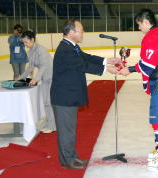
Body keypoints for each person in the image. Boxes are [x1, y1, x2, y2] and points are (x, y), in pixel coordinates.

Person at [50, 19, 120, 170]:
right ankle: (67, 160)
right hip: (64, 98)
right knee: (66, 131)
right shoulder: (65, 49)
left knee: (70, 130)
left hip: (68, 96)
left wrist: (106, 60)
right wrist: (106, 69)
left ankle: (71, 157)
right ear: (70, 32)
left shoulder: (72, 47)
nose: (83, 33)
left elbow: (86, 57)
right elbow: (82, 65)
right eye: (80, 31)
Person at [119, 9, 158, 172]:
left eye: (139, 24)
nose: (139, 28)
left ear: (145, 22)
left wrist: (129, 69)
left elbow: (147, 65)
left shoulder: (152, 36)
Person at [19, 30, 56, 133]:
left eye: (26, 42)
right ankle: (50, 122)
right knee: (46, 102)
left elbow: (43, 66)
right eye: (24, 43)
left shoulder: (41, 50)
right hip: (44, 78)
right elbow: (30, 67)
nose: (25, 45)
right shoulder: (30, 51)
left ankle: (52, 126)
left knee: (48, 102)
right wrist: (21, 78)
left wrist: (36, 78)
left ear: (32, 40)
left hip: (51, 77)